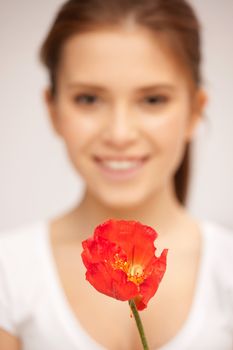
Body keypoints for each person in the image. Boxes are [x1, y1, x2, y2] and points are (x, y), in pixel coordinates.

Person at [0, 0, 233, 349]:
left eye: (153, 100)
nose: (120, 134)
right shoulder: (9, 273)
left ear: (195, 111)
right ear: (53, 110)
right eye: (89, 99)